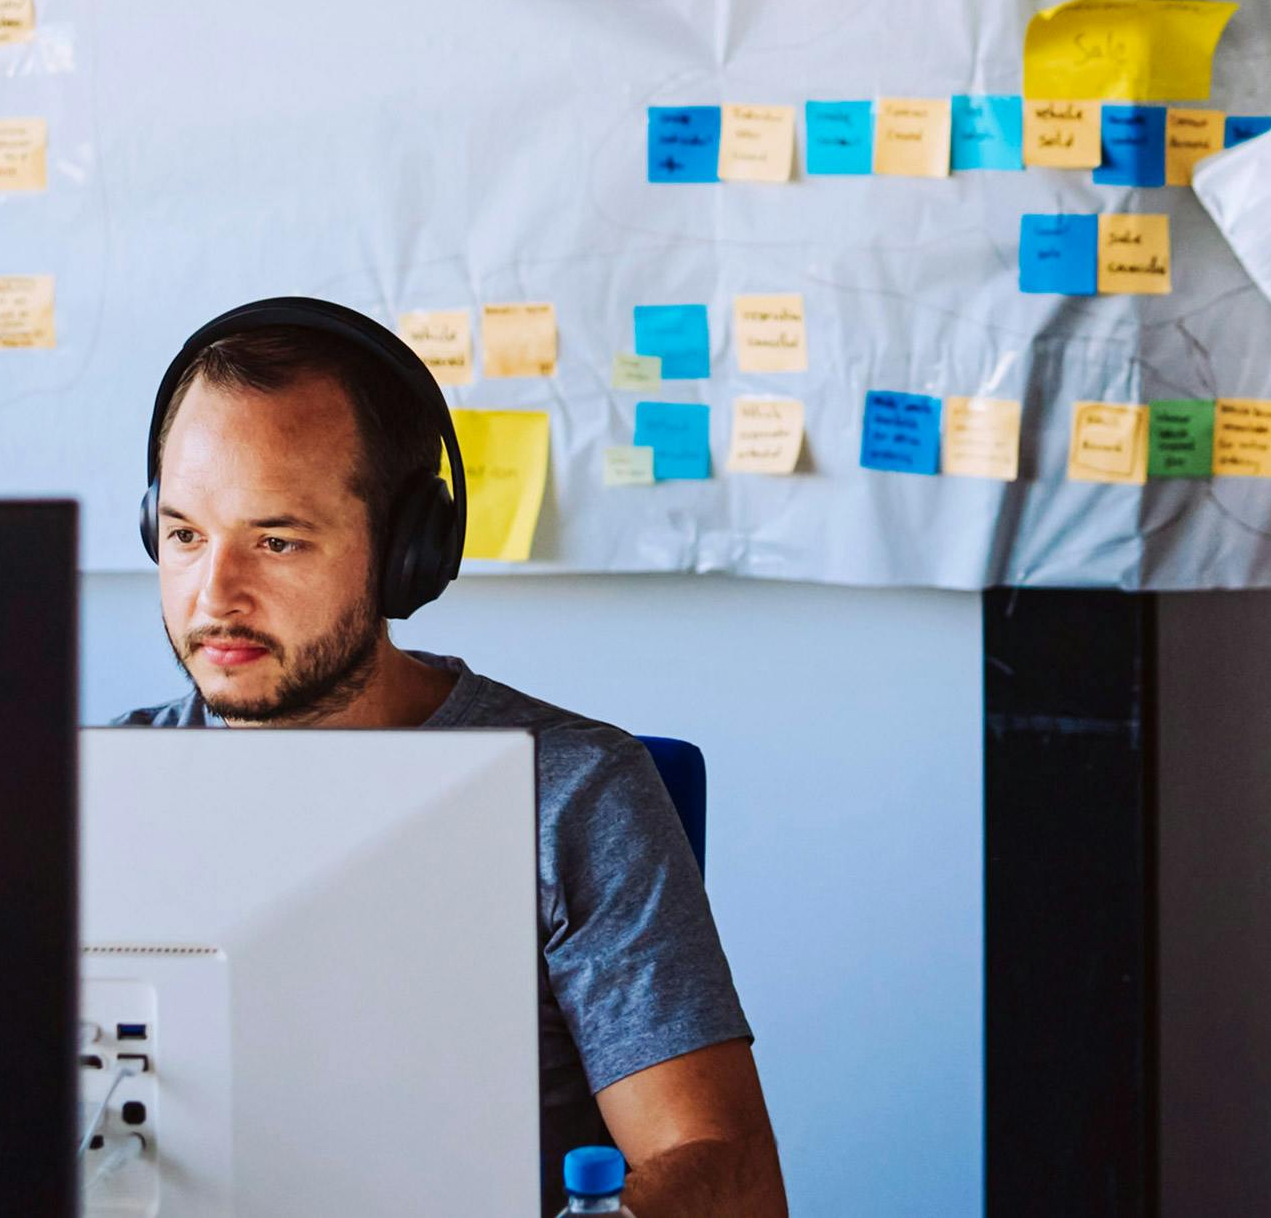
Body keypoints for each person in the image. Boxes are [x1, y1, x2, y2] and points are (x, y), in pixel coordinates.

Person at [113, 298, 787, 1218]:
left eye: (276, 540)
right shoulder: (92, 796)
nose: (214, 594)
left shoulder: (572, 794)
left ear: (404, 556)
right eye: (186, 535)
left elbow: (723, 1168)